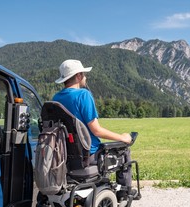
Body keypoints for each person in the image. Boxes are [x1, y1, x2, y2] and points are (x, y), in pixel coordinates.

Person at [53, 59, 133, 187]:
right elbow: (96, 130)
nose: (85, 77)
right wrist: (123, 137)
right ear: (78, 76)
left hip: (66, 155)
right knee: (124, 151)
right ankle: (125, 192)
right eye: (84, 74)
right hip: (88, 155)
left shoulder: (56, 99)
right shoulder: (83, 95)